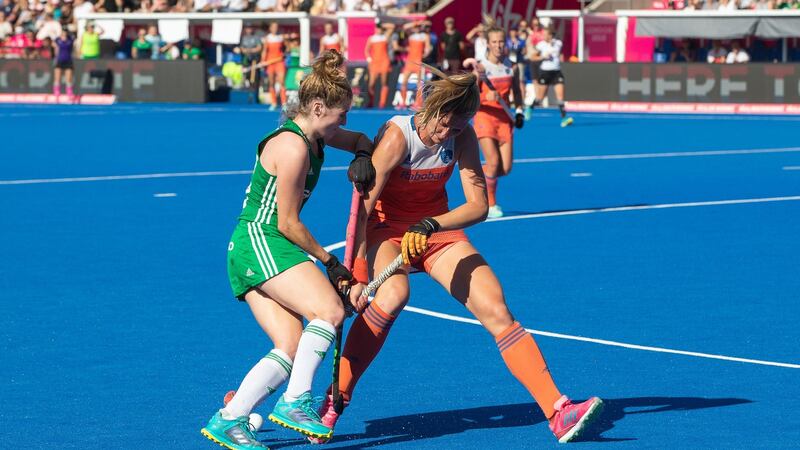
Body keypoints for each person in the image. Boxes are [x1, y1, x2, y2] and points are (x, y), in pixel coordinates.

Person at [311, 64, 603, 445]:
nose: (447, 133)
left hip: (435, 231)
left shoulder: (462, 137)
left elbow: (478, 205)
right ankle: (335, 401)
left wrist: (432, 225)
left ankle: (558, 410)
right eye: (444, 124)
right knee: (394, 295)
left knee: (495, 305)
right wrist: (358, 271)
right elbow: (363, 208)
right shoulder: (399, 137)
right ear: (430, 109)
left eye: (458, 125)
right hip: (386, 230)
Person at [200, 50, 377, 450]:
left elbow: (361, 139)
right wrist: (331, 262)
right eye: (340, 114)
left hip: (254, 246)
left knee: (292, 344)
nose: (344, 122)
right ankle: (296, 400)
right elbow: (287, 223)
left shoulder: (317, 135)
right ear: (317, 107)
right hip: (261, 239)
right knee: (329, 311)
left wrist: (364, 156)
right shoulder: (293, 146)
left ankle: (231, 418)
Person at [472, 26, 525, 219]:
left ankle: (476, 179)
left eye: (501, 41)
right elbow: (471, 97)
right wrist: (487, 97)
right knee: (493, 163)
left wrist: (519, 112)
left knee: (505, 168)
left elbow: (517, 93)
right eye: (494, 42)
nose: (498, 45)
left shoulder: (512, 66)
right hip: (484, 117)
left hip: (505, 119)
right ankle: (490, 205)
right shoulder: (481, 68)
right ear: (488, 43)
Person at [530, 27, 573, 128]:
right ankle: (530, 108)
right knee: (540, 98)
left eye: (545, 34)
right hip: (545, 72)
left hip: (556, 72)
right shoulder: (540, 45)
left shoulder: (558, 43)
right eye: (543, 34)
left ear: (550, 35)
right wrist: (542, 57)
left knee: (560, 97)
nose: (543, 36)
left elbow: (559, 52)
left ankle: (564, 118)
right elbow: (532, 57)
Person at [397, 20, 430, 110]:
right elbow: (404, 27)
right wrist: (417, 23)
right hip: (410, 62)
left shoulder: (425, 36)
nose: (417, 28)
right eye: (415, 27)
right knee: (404, 82)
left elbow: (428, 48)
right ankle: (403, 103)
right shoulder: (411, 35)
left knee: (419, 83)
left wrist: (424, 55)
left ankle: (418, 103)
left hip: (418, 62)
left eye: (418, 27)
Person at [365, 22, 394, 109]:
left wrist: (382, 25)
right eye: (377, 28)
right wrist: (369, 59)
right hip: (374, 62)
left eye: (379, 28)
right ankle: (371, 101)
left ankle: (382, 103)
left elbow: (392, 26)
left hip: (384, 61)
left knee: (384, 82)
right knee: (371, 84)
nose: (378, 30)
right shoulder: (371, 38)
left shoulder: (385, 37)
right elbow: (366, 50)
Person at [262, 22, 286, 111]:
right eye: (273, 27)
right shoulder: (267, 38)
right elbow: (264, 51)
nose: (275, 29)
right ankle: (274, 103)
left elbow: (285, 49)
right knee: (271, 83)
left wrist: (284, 54)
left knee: (282, 82)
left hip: (279, 62)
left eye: (276, 27)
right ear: (270, 28)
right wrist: (263, 61)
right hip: (270, 62)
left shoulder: (281, 38)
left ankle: (284, 103)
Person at [52, 29, 75, 97]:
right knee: (57, 78)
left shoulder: (70, 40)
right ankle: (56, 92)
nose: (63, 35)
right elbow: (53, 43)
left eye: (65, 34)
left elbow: (73, 36)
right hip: (59, 61)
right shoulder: (58, 40)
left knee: (68, 79)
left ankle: (69, 92)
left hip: (68, 61)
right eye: (62, 34)